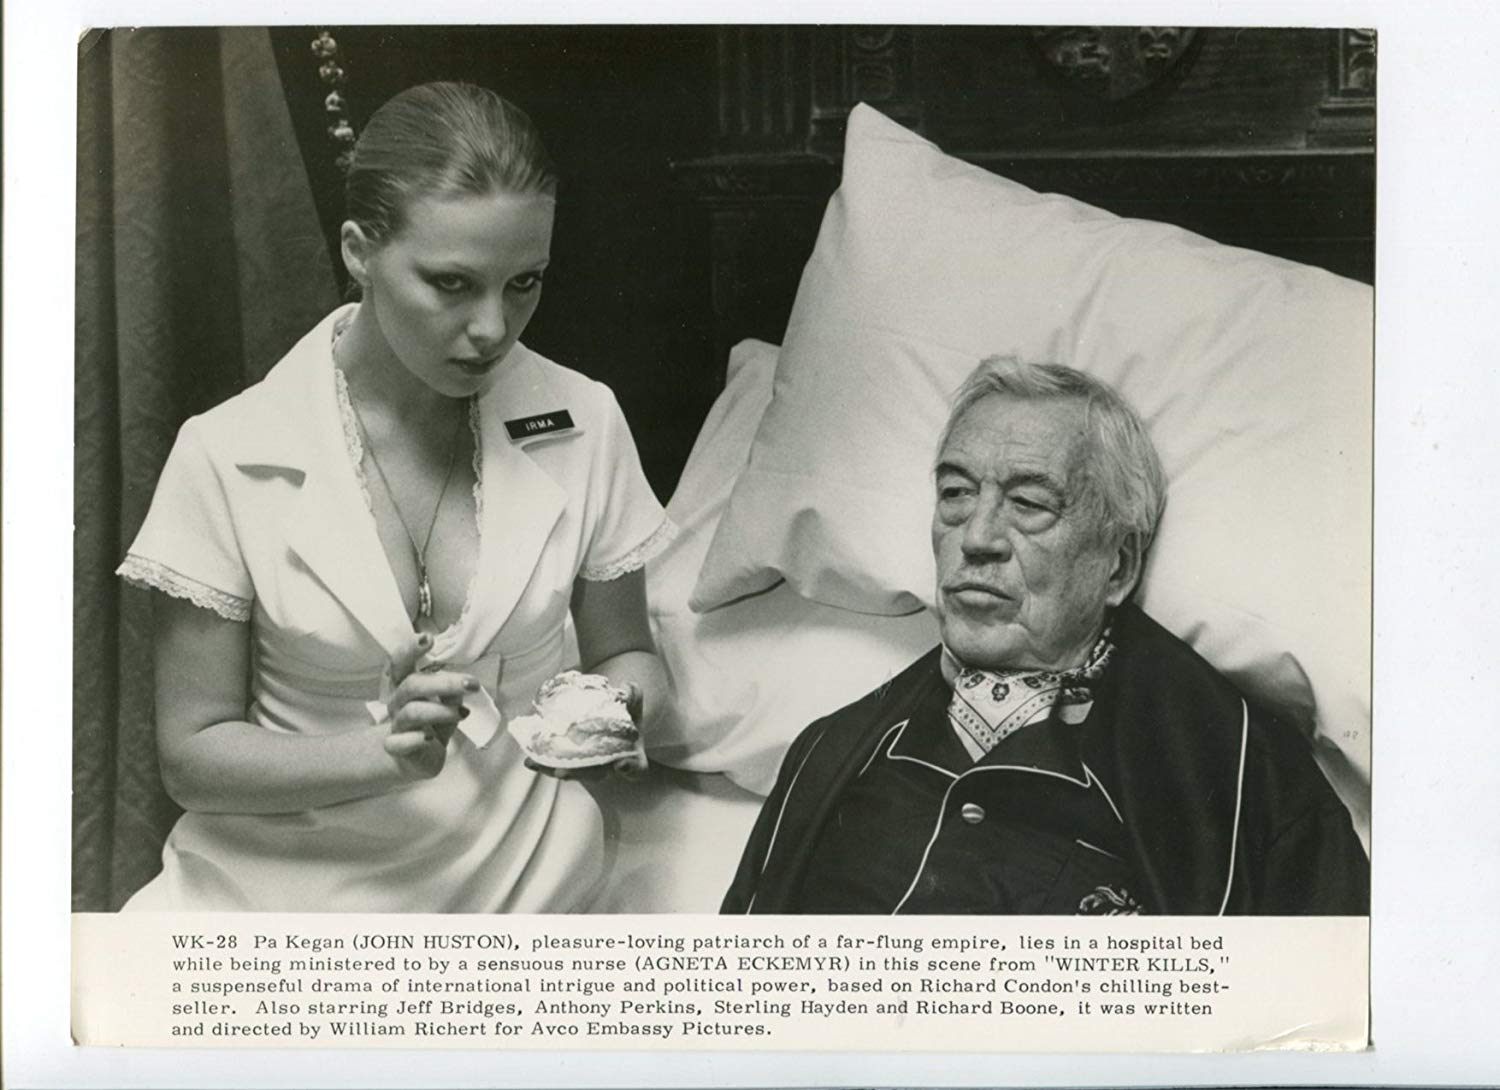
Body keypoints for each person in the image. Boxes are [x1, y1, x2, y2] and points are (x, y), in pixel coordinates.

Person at [116, 82, 674, 912]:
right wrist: (382, 753)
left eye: (524, 282)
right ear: (359, 252)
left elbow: (629, 655)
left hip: (524, 885)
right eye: (452, 284)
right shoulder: (227, 452)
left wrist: (615, 714)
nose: (493, 328)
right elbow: (192, 757)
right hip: (268, 893)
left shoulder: (583, 420)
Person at [723, 358, 1369, 915]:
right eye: (955, 493)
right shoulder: (829, 751)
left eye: (1029, 504)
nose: (977, 537)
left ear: (1117, 567)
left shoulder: (1243, 775)